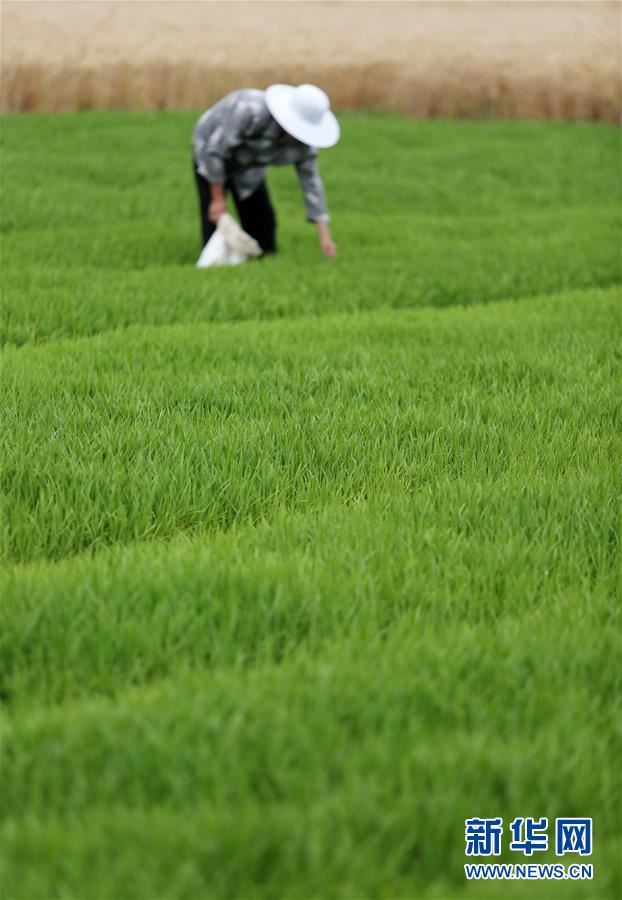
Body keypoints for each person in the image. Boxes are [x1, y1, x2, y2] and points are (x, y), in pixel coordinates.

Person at [192, 83, 339, 258]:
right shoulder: (250, 111)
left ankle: (257, 260)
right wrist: (217, 199)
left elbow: (311, 182)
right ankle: (215, 261)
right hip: (210, 152)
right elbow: (216, 151)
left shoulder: (304, 144)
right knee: (215, 217)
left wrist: (324, 237)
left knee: (263, 227)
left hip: (250, 166)